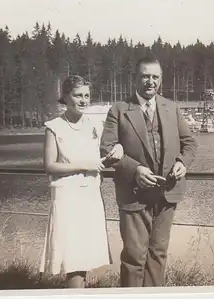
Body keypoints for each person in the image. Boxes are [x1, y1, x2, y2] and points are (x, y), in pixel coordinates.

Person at [100, 54, 198, 287]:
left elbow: (190, 143)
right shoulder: (119, 110)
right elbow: (106, 148)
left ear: (161, 79)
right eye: (145, 76)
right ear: (135, 78)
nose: (150, 82)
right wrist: (135, 170)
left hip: (166, 195)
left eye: (155, 77)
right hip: (134, 195)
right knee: (134, 258)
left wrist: (182, 162)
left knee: (158, 255)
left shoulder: (172, 108)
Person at [40, 75, 123, 288]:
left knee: (84, 258)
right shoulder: (54, 127)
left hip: (90, 195)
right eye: (78, 95)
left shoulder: (95, 125)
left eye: (87, 95)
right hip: (67, 196)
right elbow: (50, 166)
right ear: (66, 97)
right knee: (72, 260)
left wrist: (117, 150)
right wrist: (84, 165)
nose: (83, 100)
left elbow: (107, 151)